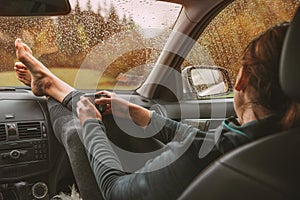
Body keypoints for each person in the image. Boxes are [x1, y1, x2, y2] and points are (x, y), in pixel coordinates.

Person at [14, 23, 300, 200]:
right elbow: (212, 144)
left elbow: (114, 191)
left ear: (242, 79)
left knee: (74, 130)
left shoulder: (205, 160)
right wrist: (145, 116)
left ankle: (51, 86)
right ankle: (52, 85)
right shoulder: (280, 145)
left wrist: (91, 125)